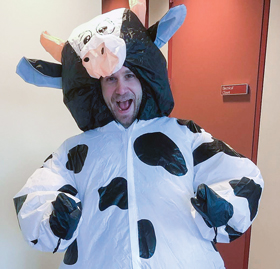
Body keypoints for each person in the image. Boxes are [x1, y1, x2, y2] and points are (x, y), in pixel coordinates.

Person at [14, 6, 263, 269]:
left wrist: (221, 205)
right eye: (110, 79)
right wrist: (53, 217)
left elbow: (243, 177)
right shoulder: (74, 151)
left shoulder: (185, 135)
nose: (121, 89)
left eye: (129, 75)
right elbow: (33, 198)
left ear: (143, 78)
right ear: (99, 87)